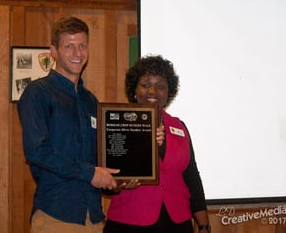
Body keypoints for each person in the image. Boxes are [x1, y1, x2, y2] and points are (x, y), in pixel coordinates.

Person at [17, 16, 120, 233]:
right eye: (69, 46)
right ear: (53, 51)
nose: (78, 53)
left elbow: (98, 159)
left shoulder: (91, 101)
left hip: (93, 217)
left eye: (82, 45)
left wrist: (116, 179)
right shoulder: (37, 93)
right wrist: (90, 173)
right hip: (56, 216)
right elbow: (37, 152)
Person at [103, 55, 211, 233]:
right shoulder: (117, 123)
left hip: (177, 223)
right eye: (145, 85)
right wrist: (118, 186)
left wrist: (204, 224)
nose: (152, 91)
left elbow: (191, 177)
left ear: (169, 92)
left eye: (160, 86)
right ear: (134, 89)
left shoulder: (179, 127)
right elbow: (107, 178)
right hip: (129, 222)